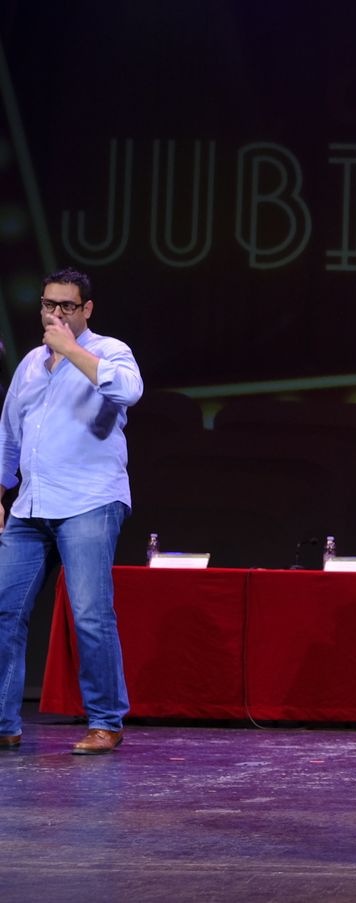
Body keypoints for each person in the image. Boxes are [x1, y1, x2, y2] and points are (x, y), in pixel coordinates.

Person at [0, 268, 142, 756]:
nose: (54, 314)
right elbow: (10, 433)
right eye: (47, 305)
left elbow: (127, 392)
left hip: (89, 501)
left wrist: (72, 350)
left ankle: (106, 721)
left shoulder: (110, 351)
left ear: (87, 310)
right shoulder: (29, 365)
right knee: (4, 610)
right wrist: (1, 489)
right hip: (31, 505)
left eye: (65, 306)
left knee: (89, 614)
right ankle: (3, 723)